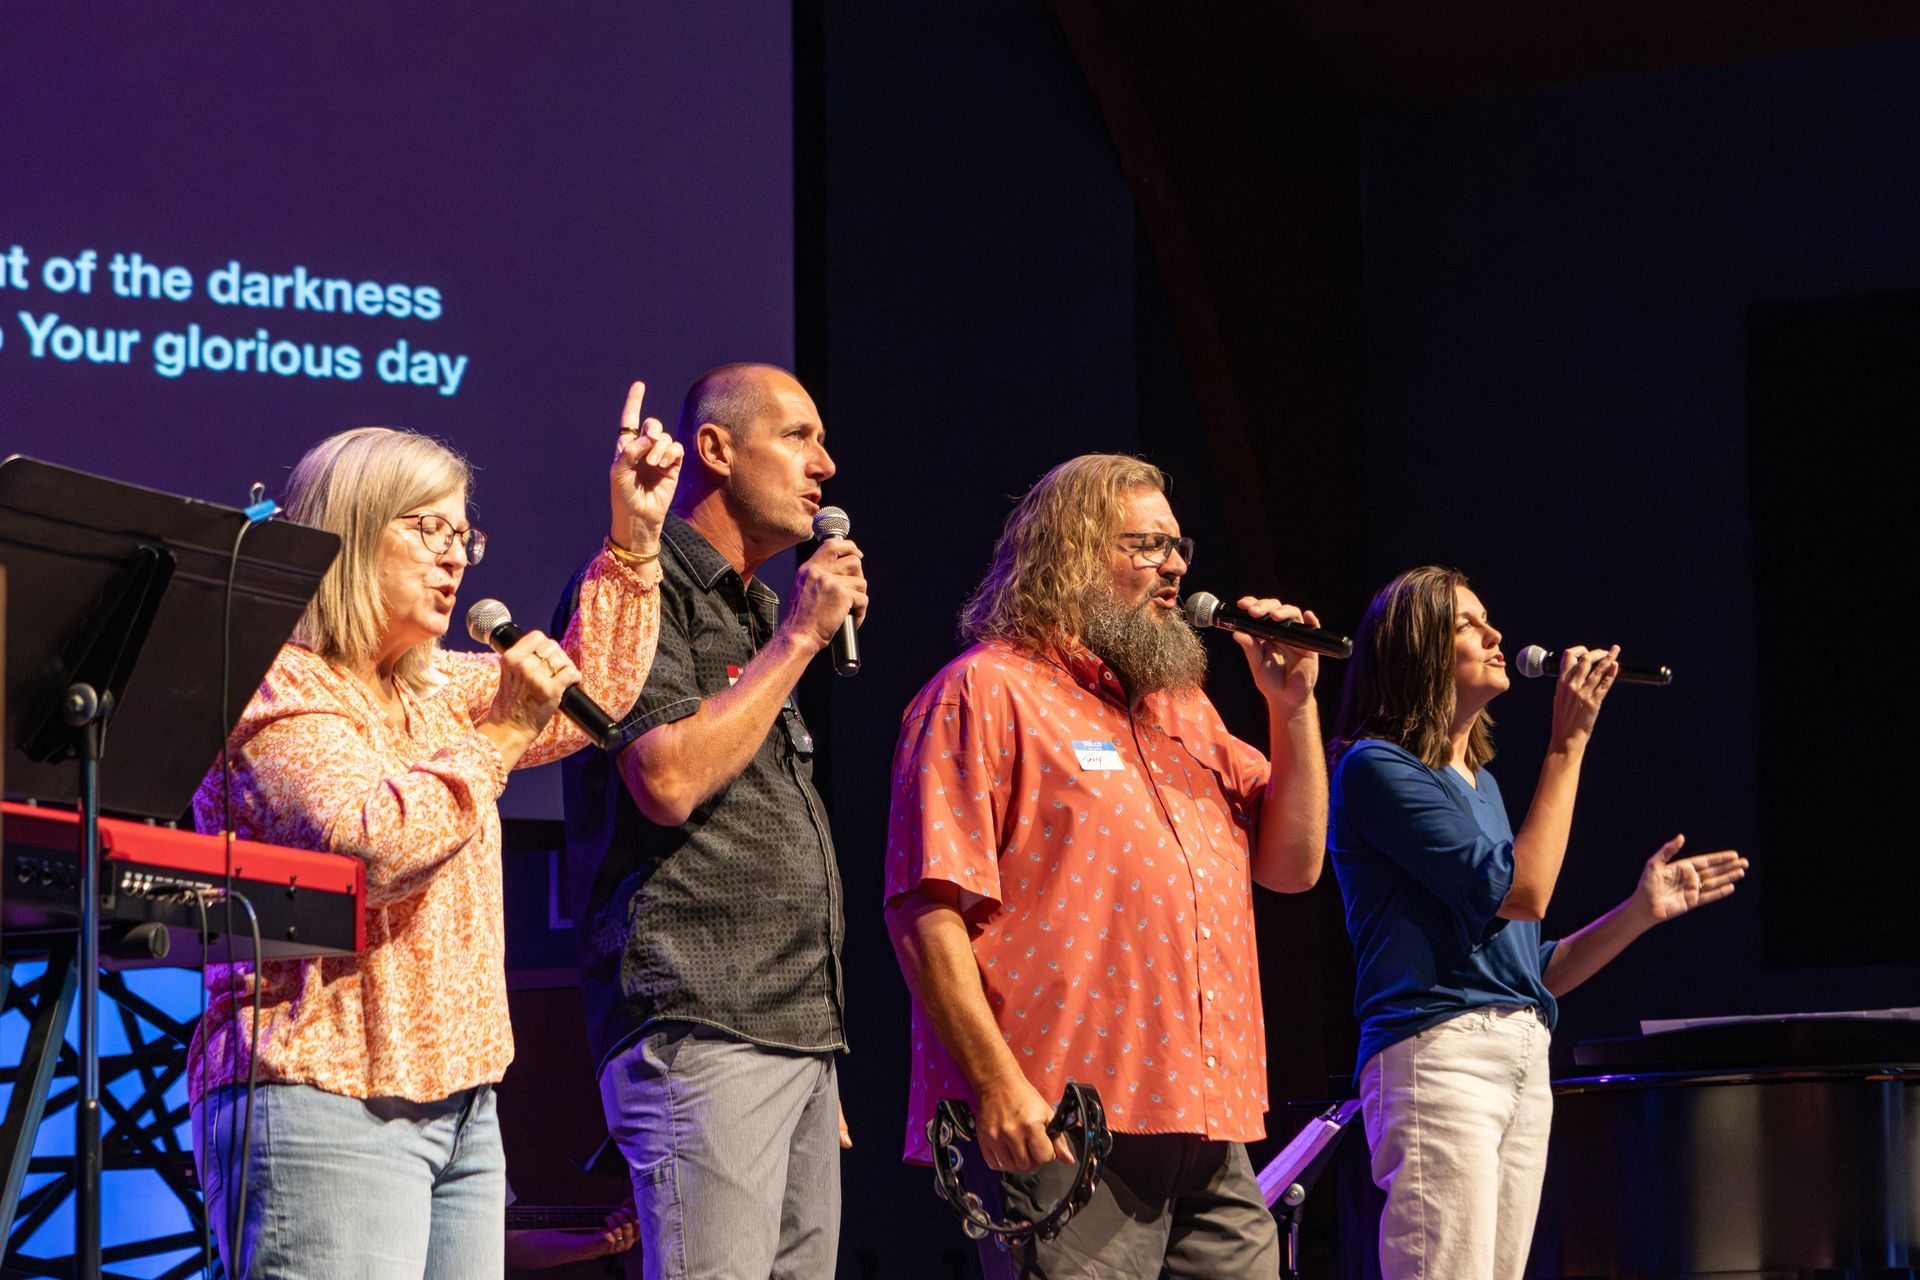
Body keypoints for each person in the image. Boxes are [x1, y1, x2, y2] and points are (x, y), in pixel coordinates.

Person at [189, 382, 683, 1280]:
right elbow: (368, 846)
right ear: (346, 532)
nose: (455, 559)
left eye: (465, 535)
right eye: (427, 529)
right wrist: (498, 738)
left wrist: (636, 539)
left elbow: (592, 698)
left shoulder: (430, 686)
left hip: (461, 1107)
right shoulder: (280, 685)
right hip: (325, 1095)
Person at [884, 453, 1326, 1279]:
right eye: (1147, 545)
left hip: (1205, 1113)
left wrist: (1289, 705)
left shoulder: (1181, 709)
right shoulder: (985, 692)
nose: (1177, 564)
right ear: (1072, 556)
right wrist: (995, 1088)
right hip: (1059, 1114)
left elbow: (1293, 865)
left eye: (1178, 544)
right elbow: (925, 911)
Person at [1325, 565, 1747, 1280]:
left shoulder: (1481, 785)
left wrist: (1638, 913)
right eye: (1467, 623)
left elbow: (1529, 967)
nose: (1495, 635)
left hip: (1520, 1052)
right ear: (1415, 648)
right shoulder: (1376, 768)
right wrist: (1568, 743)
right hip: (1440, 1052)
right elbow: (1525, 892)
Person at [554, 363, 864, 1280]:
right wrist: (801, 641)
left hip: (794, 1036)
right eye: (799, 437)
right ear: (718, 450)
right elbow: (668, 780)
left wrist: (811, 1042)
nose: (827, 464)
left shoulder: (759, 609)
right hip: (701, 1021)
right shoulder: (634, 590)